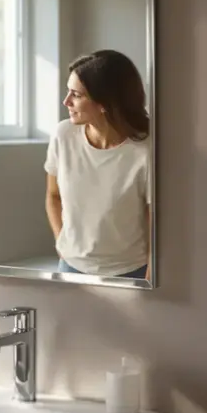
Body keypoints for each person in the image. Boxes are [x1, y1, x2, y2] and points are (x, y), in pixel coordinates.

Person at [44, 49, 151, 280]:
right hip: (70, 266)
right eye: (67, 92)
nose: (66, 101)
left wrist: (152, 273)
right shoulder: (63, 135)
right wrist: (60, 241)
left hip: (131, 271)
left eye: (76, 95)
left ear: (105, 103)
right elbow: (53, 196)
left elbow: (156, 219)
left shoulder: (147, 150)